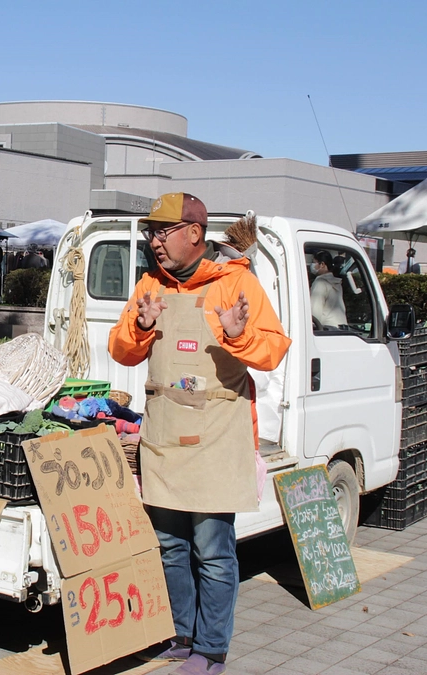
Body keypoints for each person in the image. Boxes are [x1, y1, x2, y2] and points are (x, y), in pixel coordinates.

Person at [108, 193, 290, 675]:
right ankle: (179, 633)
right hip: (165, 436)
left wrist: (237, 335)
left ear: (194, 232)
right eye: (151, 232)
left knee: (213, 549)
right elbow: (121, 352)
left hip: (215, 437)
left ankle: (211, 649)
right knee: (169, 545)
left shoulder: (235, 282)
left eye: (162, 232)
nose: (154, 241)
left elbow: (272, 352)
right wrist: (142, 327)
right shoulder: (150, 285)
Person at [309, 250, 346, 328]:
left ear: (322, 264)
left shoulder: (320, 283)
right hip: (341, 329)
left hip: (327, 329)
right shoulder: (337, 283)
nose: (312, 265)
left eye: (314, 262)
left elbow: (315, 312)